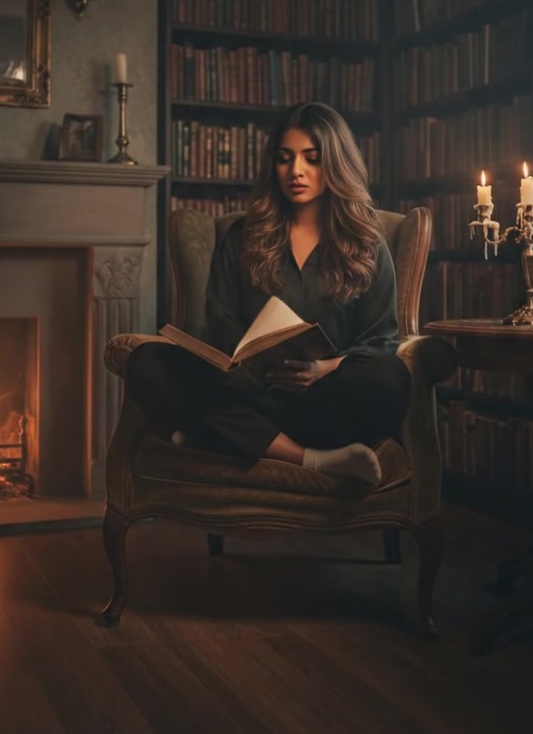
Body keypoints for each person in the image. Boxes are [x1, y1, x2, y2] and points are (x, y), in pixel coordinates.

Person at [124, 101, 411, 485]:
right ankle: (310, 459)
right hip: (251, 396)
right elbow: (220, 323)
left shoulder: (368, 243)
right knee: (147, 361)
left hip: (327, 401)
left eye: (312, 159)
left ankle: (219, 436)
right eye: (285, 159)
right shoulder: (242, 237)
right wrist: (249, 365)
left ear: (336, 164)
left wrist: (321, 369)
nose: (296, 171)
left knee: (392, 377)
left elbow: (381, 342)